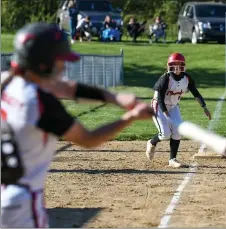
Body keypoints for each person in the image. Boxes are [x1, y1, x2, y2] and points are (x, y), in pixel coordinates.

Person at [1, 22, 154, 228]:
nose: (63, 66)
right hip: (21, 203)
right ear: (43, 63)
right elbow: (88, 139)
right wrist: (130, 117)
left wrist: (115, 98)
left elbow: (64, 87)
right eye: (59, 61)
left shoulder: (6, 82)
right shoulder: (39, 104)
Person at [145, 53, 211, 168]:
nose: (176, 67)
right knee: (165, 134)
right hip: (159, 106)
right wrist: (165, 113)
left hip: (174, 106)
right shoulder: (166, 78)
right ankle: (152, 142)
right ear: (169, 66)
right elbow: (160, 97)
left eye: (179, 64)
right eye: (173, 64)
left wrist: (204, 107)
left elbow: (195, 93)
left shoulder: (187, 78)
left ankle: (172, 159)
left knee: (177, 131)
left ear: (183, 65)